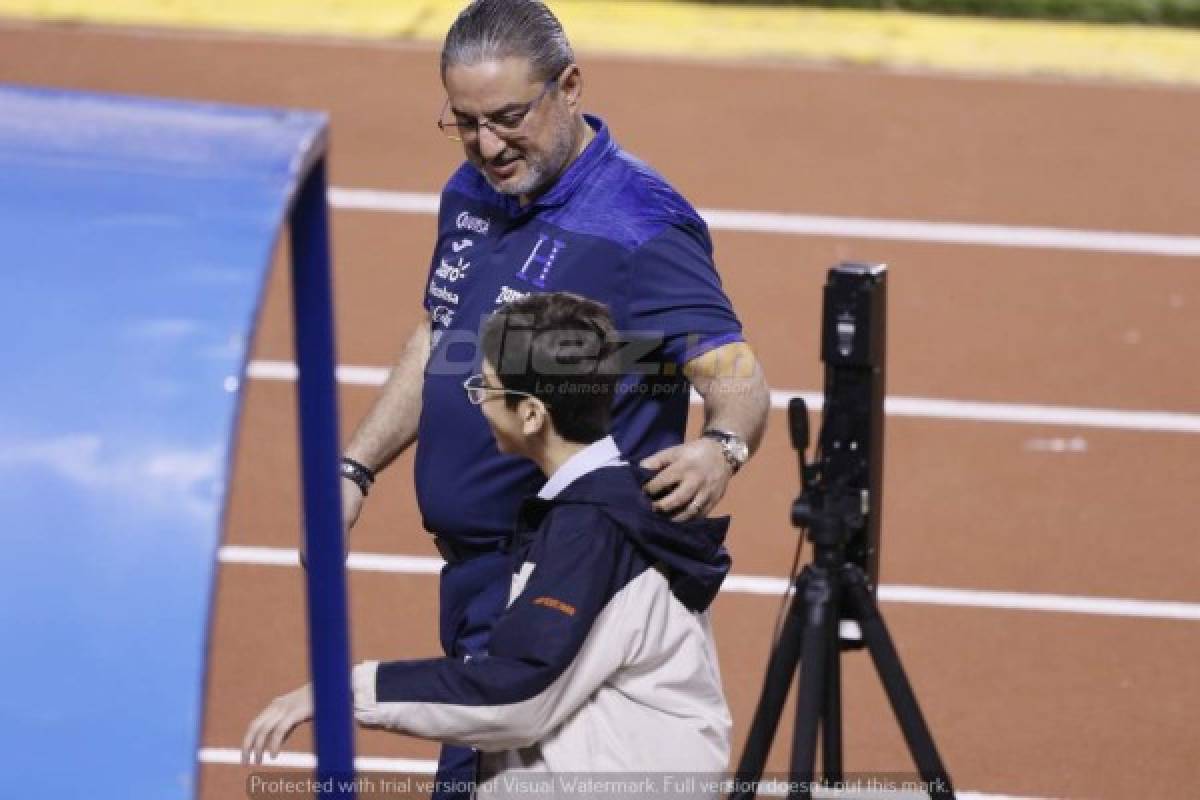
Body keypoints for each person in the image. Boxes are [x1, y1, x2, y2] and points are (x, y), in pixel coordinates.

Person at [329, 1, 771, 795]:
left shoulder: (640, 227)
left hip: (557, 585)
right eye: (464, 123)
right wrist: (355, 469)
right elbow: (441, 334)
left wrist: (722, 446)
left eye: (506, 118)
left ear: (568, 86)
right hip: (473, 580)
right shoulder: (470, 193)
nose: (487, 146)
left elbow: (733, 369)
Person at [246, 293, 733, 798]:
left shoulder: (588, 530)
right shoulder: (610, 503)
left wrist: (344, 691)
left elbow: (517, 693)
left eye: (486, 387)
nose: (477, 399)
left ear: (531, 414)